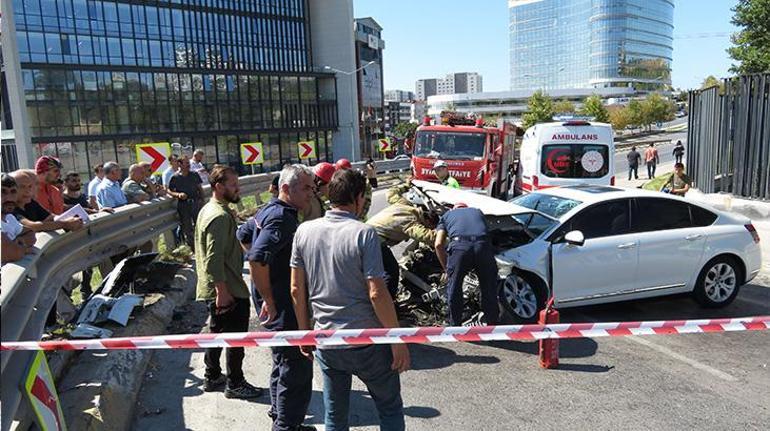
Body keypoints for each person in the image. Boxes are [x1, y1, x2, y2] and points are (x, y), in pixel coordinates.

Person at [290, 168, 409, 431]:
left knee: (335, 415)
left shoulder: (304, 231)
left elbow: (297, 289)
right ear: (357, 198)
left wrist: (304, 334)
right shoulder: (363, 233)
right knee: (389, 409)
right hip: (367, 342)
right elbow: (377, 292)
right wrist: (397, 339)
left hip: (327, 341)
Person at [194, 165, 262, 400]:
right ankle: (235, 382)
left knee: (216, 332)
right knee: (235, 338)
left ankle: (212, 376)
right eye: (233, 185)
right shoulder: (220, 216)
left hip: (216, 287)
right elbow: (214, 259)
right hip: (227, 288)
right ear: (218, 187)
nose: (237, 189)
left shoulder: (209, 209)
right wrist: (222, 291)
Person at [434, 203, 499, 326]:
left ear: (454, 208)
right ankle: (492, 325)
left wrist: (446, 269)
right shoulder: (478, 211)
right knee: (489, 287)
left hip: (460, 248)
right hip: (483, 246)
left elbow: (438, 244)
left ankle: (455, 326)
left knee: (455, 287)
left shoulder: (447, 215)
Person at [367, 186, 438, 297]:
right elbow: (428, 236)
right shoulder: (411, 222)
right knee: (391, 271)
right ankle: (387, 301)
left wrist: (406, 185)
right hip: (374, 240)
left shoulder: (405, 204)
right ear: (428, 220)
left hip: (365, 232)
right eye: (430, 226)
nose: (428, 227)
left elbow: (391, 192)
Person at [11, 170, 83, 233]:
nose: (28, 191)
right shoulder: (9, 208)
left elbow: (51, 217)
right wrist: (64, 224)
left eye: (30, 186)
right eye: (22, 187)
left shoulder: (31, 203)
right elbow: (31, 226)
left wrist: (72, 218)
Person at [168, 156, 204, 248]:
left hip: (195, 203)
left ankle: (202, 244)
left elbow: (200, 188)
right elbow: (170, 190)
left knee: (200, 225)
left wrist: (202, 200)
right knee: (187, 227)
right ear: (179, 164)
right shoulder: (175, 177)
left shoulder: (194, 174)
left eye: (189, 163)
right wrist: (178, 194)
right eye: (186, 163)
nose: (189, 165)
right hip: (183, 205)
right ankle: (193, 246)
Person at [1, 174, 36, 264]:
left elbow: (31, 234)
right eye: (3, 192)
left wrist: (21, 241)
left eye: (13, 192)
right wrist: (26, 249)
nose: (9, 198)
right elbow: (11, 253)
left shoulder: (10, 218)